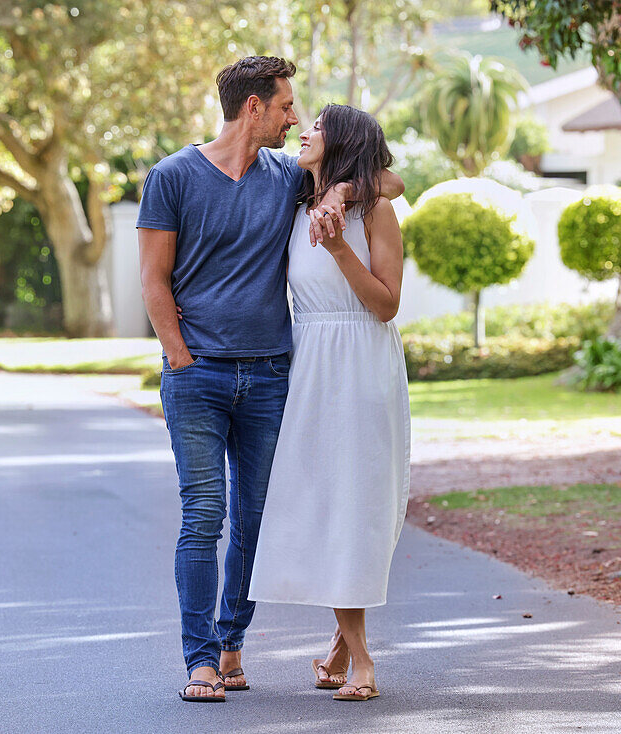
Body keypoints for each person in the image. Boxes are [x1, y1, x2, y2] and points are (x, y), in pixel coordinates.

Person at [137, 58, 404, 703]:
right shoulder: (172, 176)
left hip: (270, 376)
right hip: (196, 373)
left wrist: (340, 193)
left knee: (255, 516)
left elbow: (384, 177)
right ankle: (200, 659)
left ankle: (232, 644)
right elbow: (152, 277)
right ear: (253, 107)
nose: (294, 117)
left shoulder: (288, 176)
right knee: (203, 514)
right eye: (286, 106)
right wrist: (177, 355)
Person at [247, 104, 410, 703]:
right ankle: (344, 647)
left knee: (357, 505)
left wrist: (341, 246)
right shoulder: (294, 200)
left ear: (340, 142)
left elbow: (387, 305)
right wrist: (334, 191)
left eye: (316, 125)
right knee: (321, 505)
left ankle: (361, 657)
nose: (304, 131)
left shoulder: (377, 211)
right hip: (309, 362)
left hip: (362, 363)